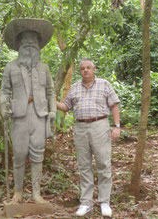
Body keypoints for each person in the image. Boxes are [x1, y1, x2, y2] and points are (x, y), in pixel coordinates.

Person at [0, 18, 56, 204]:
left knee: (38, 154)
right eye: (26, 42)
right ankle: (17, 193)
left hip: (39, 114)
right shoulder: (11, 67)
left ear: (39, 46)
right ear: (19, 45)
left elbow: (50, 91)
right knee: (19, 154)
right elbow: (5, 91)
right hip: (19, 115)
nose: (30, 45)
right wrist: (3, 106)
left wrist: (53, 110)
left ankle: (36, 193)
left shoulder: (44, 68)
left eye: (33, 42)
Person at [57, 59, 120, 217]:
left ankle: (104, 201)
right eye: (82, 68)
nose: (85, 70)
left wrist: (117, 127)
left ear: (94, 69)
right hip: (80, 128)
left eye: (88, 68)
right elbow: (66, 106)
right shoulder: (74, 88)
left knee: (103, 163)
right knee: (84, 166)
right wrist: (51, 101)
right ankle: (86, 203)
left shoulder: (104, 84)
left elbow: (114, 105)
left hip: (100, 125)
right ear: (80, 71)